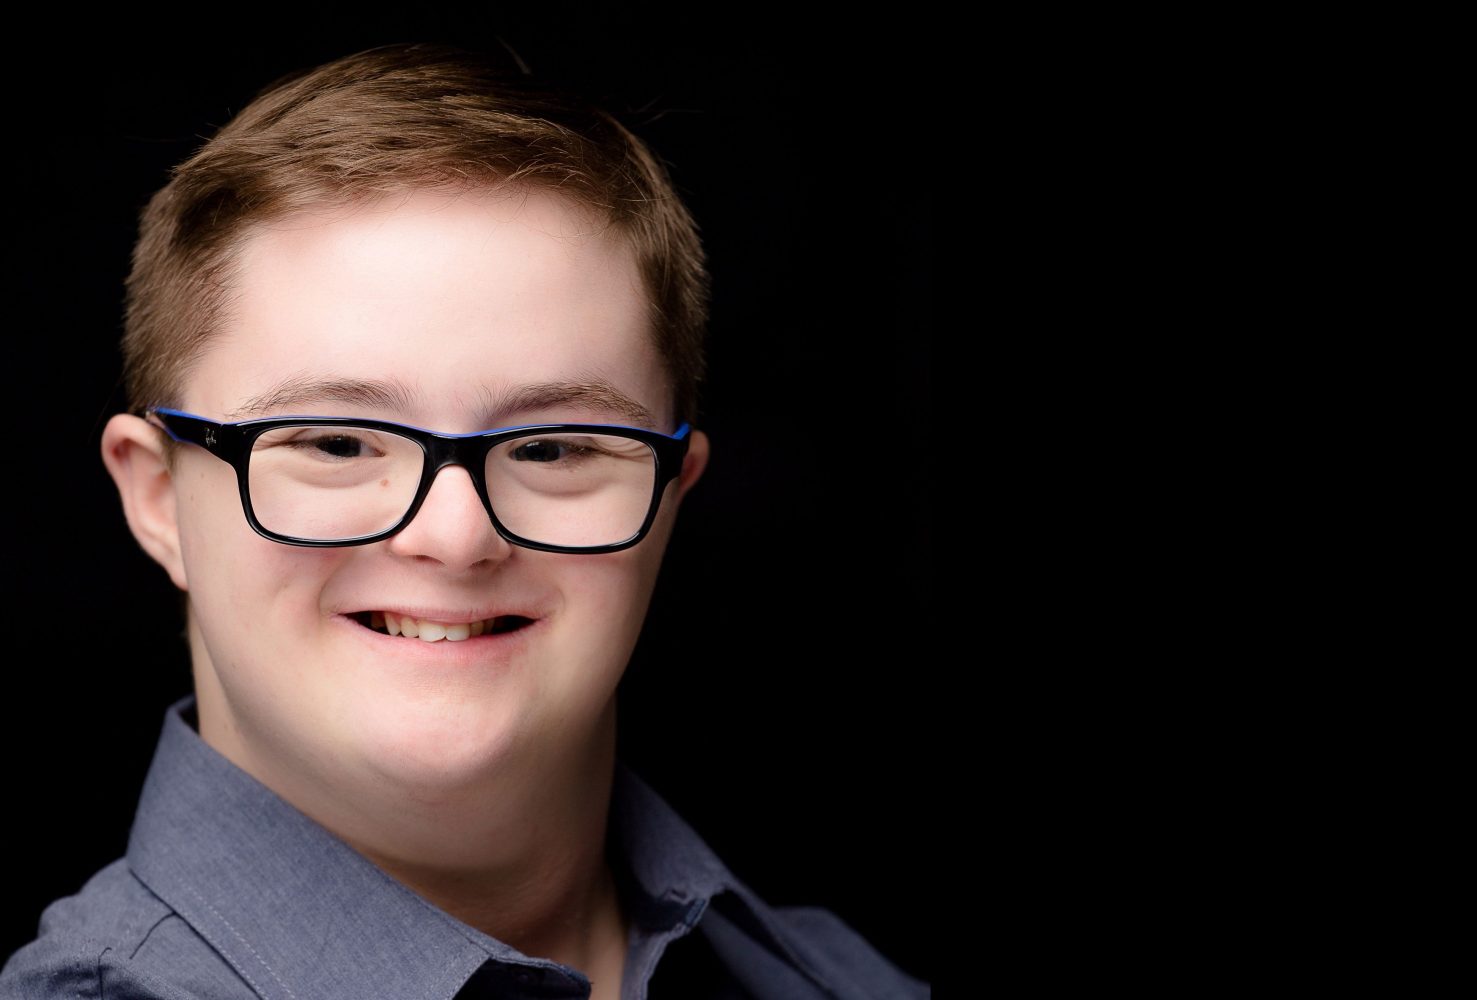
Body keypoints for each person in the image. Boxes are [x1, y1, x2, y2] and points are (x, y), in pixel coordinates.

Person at [0, 41, 928, 1000]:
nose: (453, 537)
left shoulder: (840, 980)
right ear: (156, 499)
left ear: (669, 498)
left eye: (551, 448)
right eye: (335, 444)